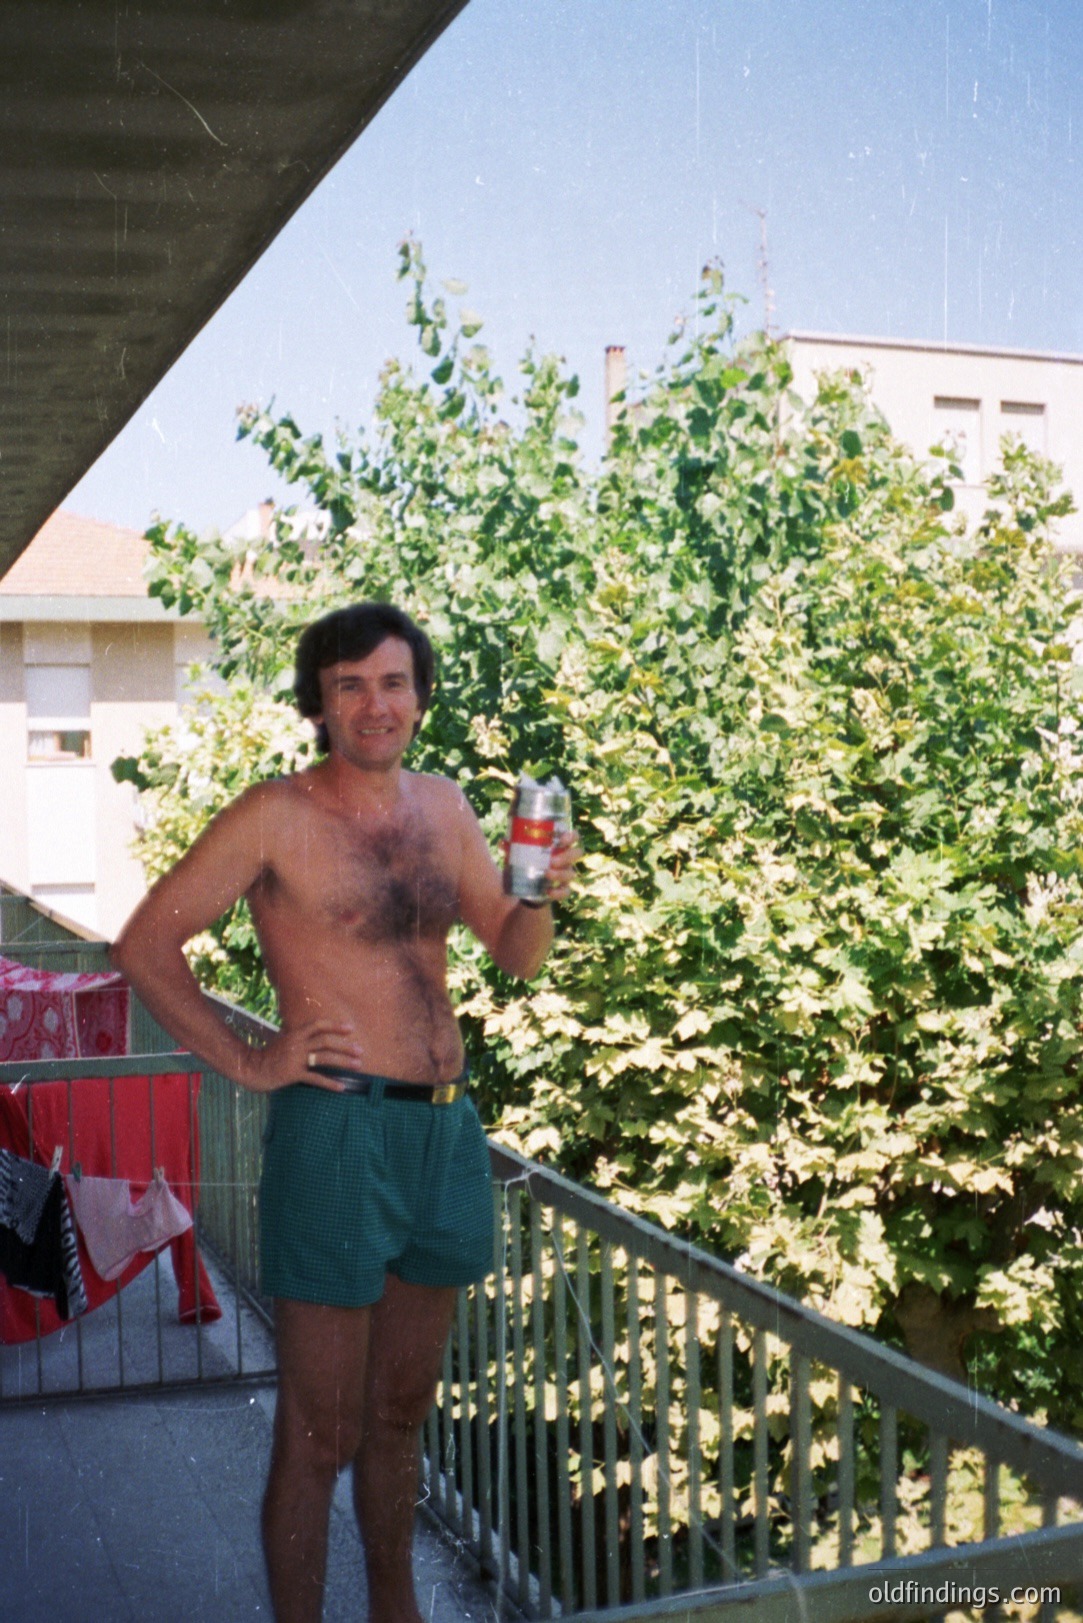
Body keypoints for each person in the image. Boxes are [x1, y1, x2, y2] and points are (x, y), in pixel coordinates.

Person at [111, 602, 580, 1623]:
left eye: (395, 683)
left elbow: (516, 952)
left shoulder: (446, 808)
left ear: (420, 695)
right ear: (320, 703)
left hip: (444, 1131)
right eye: (351, 685)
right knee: (319, 1429)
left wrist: (538, 892)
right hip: (336, 1130)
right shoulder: (272, 815)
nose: (377, 704)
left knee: (401, 1415)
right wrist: (252, 1057)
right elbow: (144, 945)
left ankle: (394, 1609)